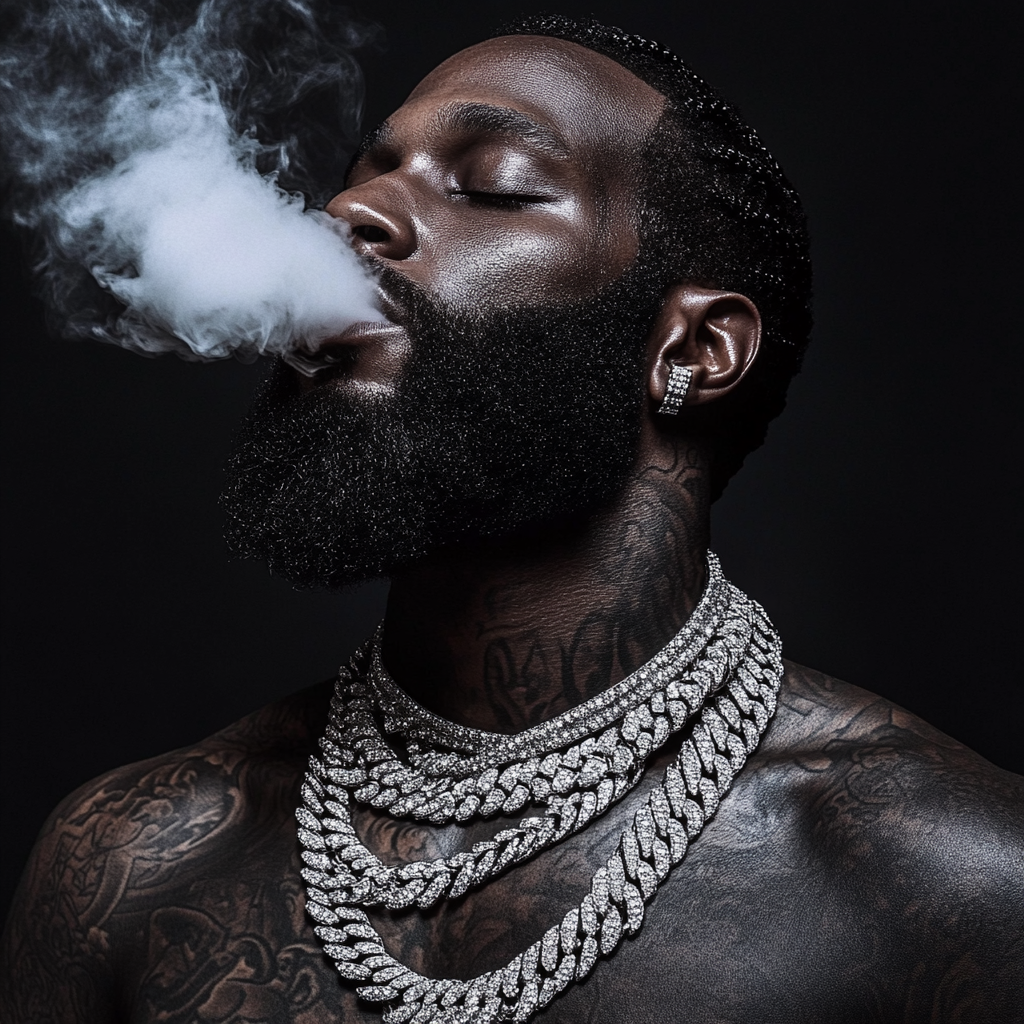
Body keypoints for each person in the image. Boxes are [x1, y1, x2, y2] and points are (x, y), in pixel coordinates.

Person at [2, 15, 1021, 1023]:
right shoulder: (128, 865)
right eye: (368, 171)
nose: (349, 211)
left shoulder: (947, 875)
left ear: (695, 351)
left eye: (490, 183)